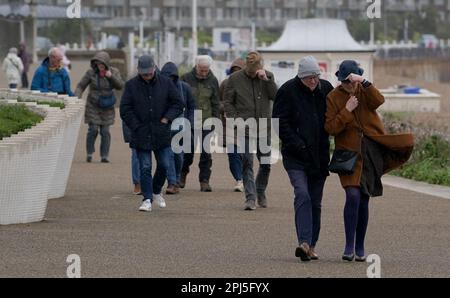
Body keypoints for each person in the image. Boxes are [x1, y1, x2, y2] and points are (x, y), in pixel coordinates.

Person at [325, 60, 414, 262]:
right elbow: (330, 128)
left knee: (364, 198)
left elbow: (379, 100)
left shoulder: (364, 90)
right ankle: (349, 246)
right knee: (353, 196)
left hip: (371, 152)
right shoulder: (333, 97)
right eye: (345, 82)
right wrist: (347, 109)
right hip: (348, 155)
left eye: (352, 81)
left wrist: (364, 82)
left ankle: (360, 245)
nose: (349, 85)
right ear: (340, 80)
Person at [272, 56, 334, 262]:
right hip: (295, 156)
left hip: (320, 156)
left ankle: (312, 246)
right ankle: (304, 242)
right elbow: (279, 122)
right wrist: (297, 143)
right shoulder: (287, 91)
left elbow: (335, 115)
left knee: (316, 203)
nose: (313, 82)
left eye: (316, 77)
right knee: (302, 194)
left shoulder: (326, 88)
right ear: (300, 77)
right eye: (309, 78)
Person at [120, 55, 184, 212]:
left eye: (149, 73)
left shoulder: (166, 83)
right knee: (145, 167)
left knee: (164, 164)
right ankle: (147, 198)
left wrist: (167, 119)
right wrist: (135, 126)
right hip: (141, 133)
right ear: (139, 72)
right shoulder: (131, 85)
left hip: (161, 132)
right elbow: (125, 109)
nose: (147, 77)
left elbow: (178, 103)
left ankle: (156, 191)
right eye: (144, 74)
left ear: (154, 69)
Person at [224, 51, 278, 211]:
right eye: (252, 69)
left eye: (257, 69)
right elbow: (228, 102)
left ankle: (260, 191)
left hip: (264, 127)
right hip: (244, 127)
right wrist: (235, 121)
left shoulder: (268, 76)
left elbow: (275, 96)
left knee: (266, 163)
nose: (254, 72)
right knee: (247, 162)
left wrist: (266, 80)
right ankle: (250, 197)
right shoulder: (234, 79)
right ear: (247, 66)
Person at [75, 51, 124, 163]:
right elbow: (81, 85)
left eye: (102, 64)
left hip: (107, 106)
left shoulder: (114, 71)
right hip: (93, 105)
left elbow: (120, 86)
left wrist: (111, 77)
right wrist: (77, 97)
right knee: (93, 129)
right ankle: (89, 152)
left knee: (105, 131)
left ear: (106, 63)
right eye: (97, 64)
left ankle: (104, 155)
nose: (100, 66)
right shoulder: (91, 73)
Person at [180, 55, 220, 192]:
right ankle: (182, 174)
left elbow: (216, 103)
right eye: (201, 70)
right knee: (187, 151)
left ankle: (204, 180)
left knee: (206, 153)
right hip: (189, 122)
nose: (204, 73)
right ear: (196, 66)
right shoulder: (185, 78)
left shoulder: (213, 81)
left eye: (206, 70)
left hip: (207, 121)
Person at [160, 62, 196, 195]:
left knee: (179, 156)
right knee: (168, 154)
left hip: (182, 126)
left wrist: (191, 123)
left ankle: (177, 177)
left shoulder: (184, 88)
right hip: (165, 126)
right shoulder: (159, 88)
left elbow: (192, 106)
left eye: (172, 77)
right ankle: (172, 183)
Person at [219, 58, 245, 192]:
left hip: (247, 124)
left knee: (244, 154)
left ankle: (246, 178)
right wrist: (225, 108)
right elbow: (218, 102)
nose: (235, 73)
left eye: (238, 71)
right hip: (229, 124)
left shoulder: (249, 85)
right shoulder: (224, 84)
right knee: (233, 153)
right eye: (233, 71)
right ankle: (239, 179)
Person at [122, 122, 141, 195]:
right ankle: (138, 183)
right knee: (136, 156)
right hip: (136, 130)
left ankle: (173, 182)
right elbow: (125, 113)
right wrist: (128, 135)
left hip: (155, 126)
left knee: (162, 159)